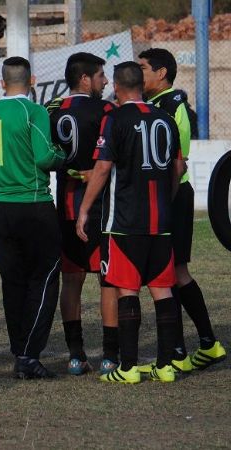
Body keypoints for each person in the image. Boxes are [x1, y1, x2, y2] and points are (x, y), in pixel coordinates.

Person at [76, 61, 185, 384]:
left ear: (119, 89)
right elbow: (178, 168)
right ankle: (166, 365)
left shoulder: (115, 118)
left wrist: (84, 210)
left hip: (123, 220)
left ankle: (128, 367)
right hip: (160, 220)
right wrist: (168, 200)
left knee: (127, 290)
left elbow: (102, 168)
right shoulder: (165, 118)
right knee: (163, 290)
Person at [138, 47, 226, 372]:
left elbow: (179, 160)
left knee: (170, 272)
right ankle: (204, 345)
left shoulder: (174, 106)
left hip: (173, 194)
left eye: (143, 68)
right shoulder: (155, 105)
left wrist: (164, 200)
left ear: (161, 73)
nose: (139, 74)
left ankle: (181, 353)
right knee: (172, 272)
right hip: (168, 194)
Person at [0, 57, 65, 379]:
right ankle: (29, 354)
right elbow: (46, 156)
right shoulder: (35, 112)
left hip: (0, 207)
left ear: (2, 83)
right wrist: (66, 155)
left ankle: (20, 351)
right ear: (32, 81)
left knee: (12, 282)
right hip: (33, 204)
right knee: (44, 277)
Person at [46, 52, 118, 376]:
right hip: (103, 208)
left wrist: (71, 171)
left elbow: (44, 154)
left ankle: (76, 356)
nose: (105, 82)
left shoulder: (51, 110)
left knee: (71, 280)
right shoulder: (106, 110)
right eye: (101, 76)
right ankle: (110, 356)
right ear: (86, 79)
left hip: (67, 207)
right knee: (109, 282)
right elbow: (111, 160)